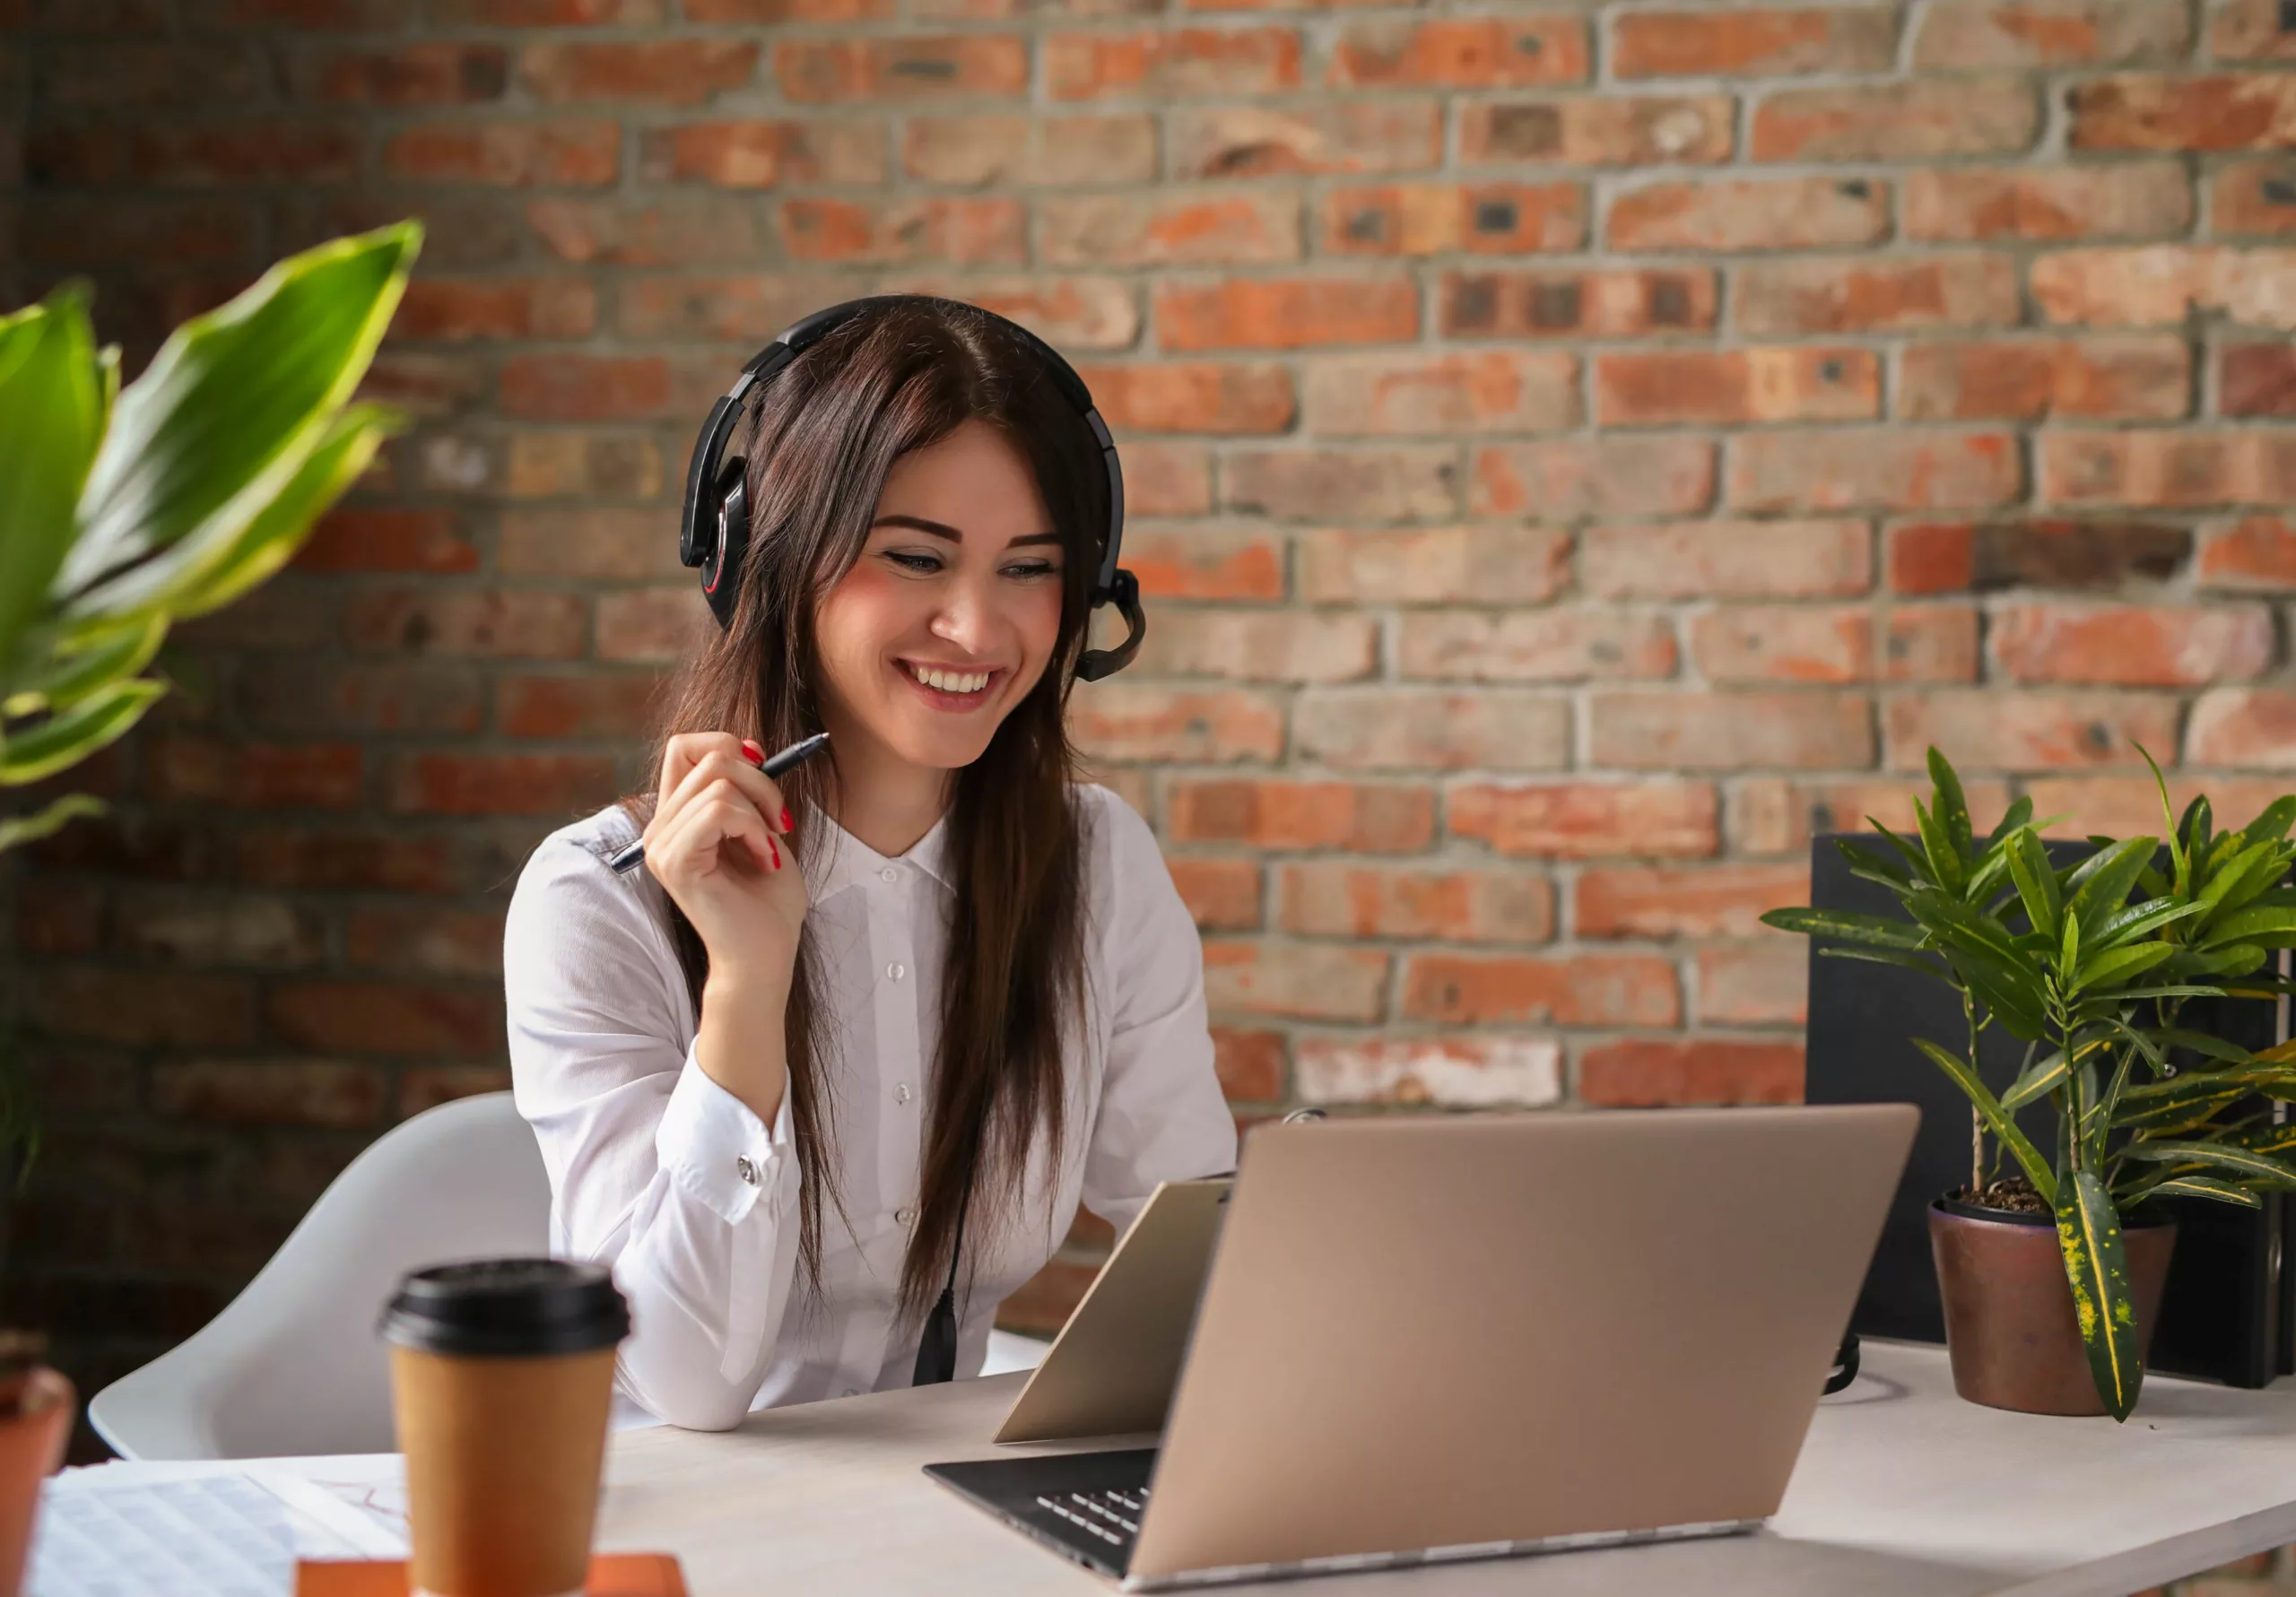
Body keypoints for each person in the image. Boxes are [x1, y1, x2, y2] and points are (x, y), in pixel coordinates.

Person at [501, 297, 1238, 1431]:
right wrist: (747, 985)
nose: (978, 627)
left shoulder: (1094, 865)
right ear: (765, 556)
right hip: (656, 1517)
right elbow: (687, 1384)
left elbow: (1203, 1257)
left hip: (932, 1513)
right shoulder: (595, 900)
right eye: (915, 557)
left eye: (1028, 569)